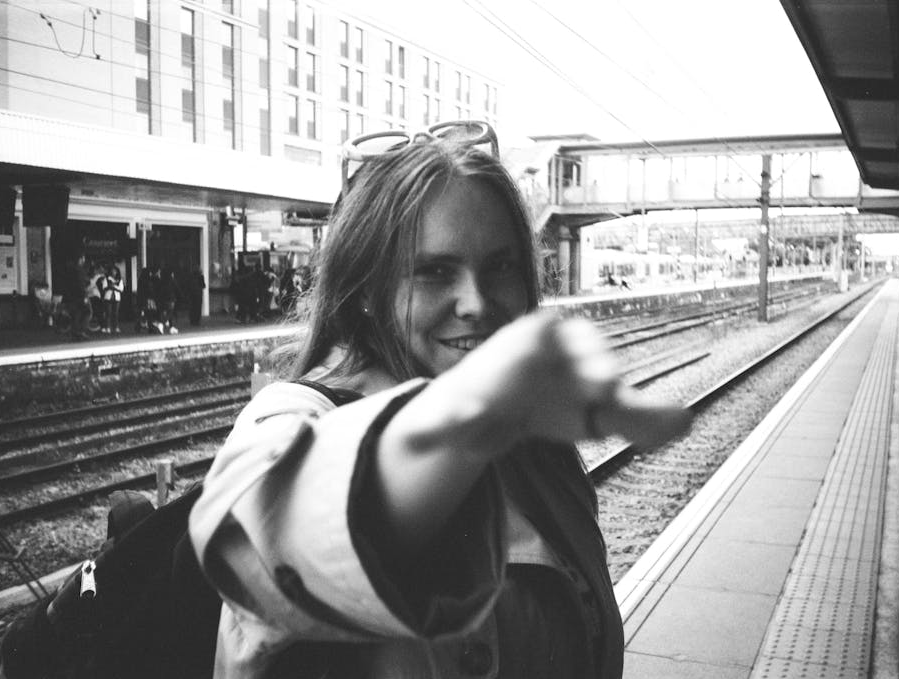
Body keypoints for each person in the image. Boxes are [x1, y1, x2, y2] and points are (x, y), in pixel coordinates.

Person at [188, 123, 692, 679]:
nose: (476, 302)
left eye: (501, 267)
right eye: (434, 272)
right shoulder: (292, 416)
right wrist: (471, 414)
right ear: (366, 292)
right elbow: (263, 537)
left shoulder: (536, 445)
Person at [66, 254, 91, 340]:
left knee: (76, 314)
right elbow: (81, 285)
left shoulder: (70, 270)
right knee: (88, 312)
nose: (84, 260)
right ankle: (81, 331)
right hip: (81, 295)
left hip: (72, 296)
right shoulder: (80, 270)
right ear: (80, 259)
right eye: (83, 258)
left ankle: (75, 333)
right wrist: (84, 296)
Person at [102, 265, 124, 334]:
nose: (113, 272)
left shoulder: (119, 279)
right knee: (108, 313)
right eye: (112, 271)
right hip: (108, 297)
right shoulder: (107, 279)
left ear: (117, 272)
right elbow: (104, 287)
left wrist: (114, 287)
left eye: (115, 271)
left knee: (115, 314)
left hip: (116, 298)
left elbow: (121, 289)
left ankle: (116, 327)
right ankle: (107, 327)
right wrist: (110, 287)